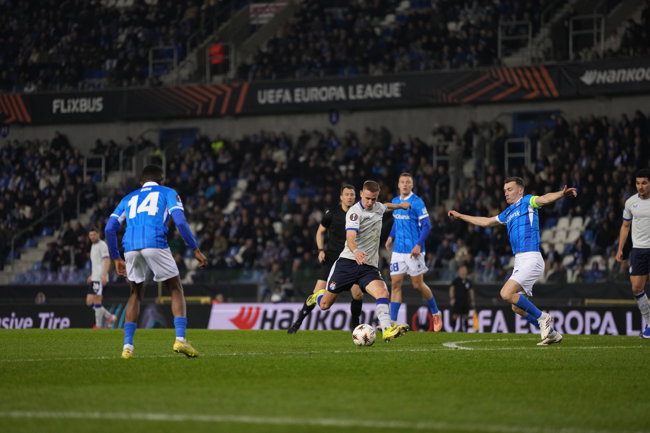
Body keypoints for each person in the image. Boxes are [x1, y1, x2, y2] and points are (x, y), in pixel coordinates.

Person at [448, 177, 577, 346]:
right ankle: (552, 334)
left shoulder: (527, 201)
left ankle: (543, 317)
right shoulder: (508, 212)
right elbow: (486, 222)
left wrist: (561, 194)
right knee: (516, 307)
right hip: (519, 261)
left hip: (531, 257)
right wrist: (460, 215)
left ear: (520, 190)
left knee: (506, 293)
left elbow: (544, 199)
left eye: (509, 189)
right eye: (505, 190)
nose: (506, 193)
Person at [105, 165, 208, 359]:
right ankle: (181, 339)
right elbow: (180, 221)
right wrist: (195, 248)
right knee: (175, 287)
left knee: (135, 292)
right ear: (162, 181)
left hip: (130, 246)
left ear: (141, 182)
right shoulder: (168, 192)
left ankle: (127, 347)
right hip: (155, 241)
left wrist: (116, 257)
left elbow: (109, 228)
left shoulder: (128, 198)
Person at [309, 180, 411, 341]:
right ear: (361, 194)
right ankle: (318, 296)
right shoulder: (354, 213)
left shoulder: (377, 206)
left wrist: (400, 206)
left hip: (368, 266)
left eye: (373, 199)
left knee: (383, 292)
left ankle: (387, 330)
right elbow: (350, 236)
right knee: (325, 305)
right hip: (348, 263)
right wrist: (355, 251)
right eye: (367, 198)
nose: (370, 202)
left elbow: (385, 206)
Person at [288, 185, 364, 334]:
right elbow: (320, 232)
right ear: (341, 197)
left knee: (357, 294)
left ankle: (355, 324)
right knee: (317, 291)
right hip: (332, 258)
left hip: (351, 259)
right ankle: (298, 322)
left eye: (352, 195)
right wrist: (321, 250)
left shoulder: (360, 214)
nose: (350, 197)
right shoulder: (332, 214)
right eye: (347, 194)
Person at [385, 172, 442, 331]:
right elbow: (397, 221)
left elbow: (427, 226)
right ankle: (392, 322)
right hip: (398, 250)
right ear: (398, 184)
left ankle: (436, 312)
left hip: (413, 250)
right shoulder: (395, 201)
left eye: (408, 182)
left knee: (417, 285)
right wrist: (390, 237)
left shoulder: (417, 202)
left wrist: (418, 245)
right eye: (402, 182)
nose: (405, 184)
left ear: (412, 185)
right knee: (395, 284)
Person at [616, 168, 650, 338]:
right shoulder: (630, 202)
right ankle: (649, 324)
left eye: (644, 183)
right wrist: (620, 248)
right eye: (638, 183)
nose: (640, 187)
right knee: (636, 288)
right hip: (638, 250)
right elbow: (625, 226)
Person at [87, 228, 117, 329]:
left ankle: (98, 326)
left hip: (100, 277)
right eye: (90, 235)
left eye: (94, 235)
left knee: (97, 300)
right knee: (89, 302)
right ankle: (109, 316)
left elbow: (107, 260)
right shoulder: (93, 245)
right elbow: (96, 263)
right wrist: (92, 275)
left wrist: (104, 275)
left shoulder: (102, 245)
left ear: (98, 234)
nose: (92, 237)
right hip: (95, 277)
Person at [449, 264, 476, 332]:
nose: (463, 271)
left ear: (466, 271)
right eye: (462, 270)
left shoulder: (468, 281)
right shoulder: (456, 280)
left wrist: (472, 300)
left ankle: (466, 331)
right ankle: (453, 331)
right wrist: (452, 298)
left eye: (464, 270)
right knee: (454, 316)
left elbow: (471, 291)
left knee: (466, 316)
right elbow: (451, 289)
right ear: (459, 271)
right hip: (457, 301)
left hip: (465, 301)